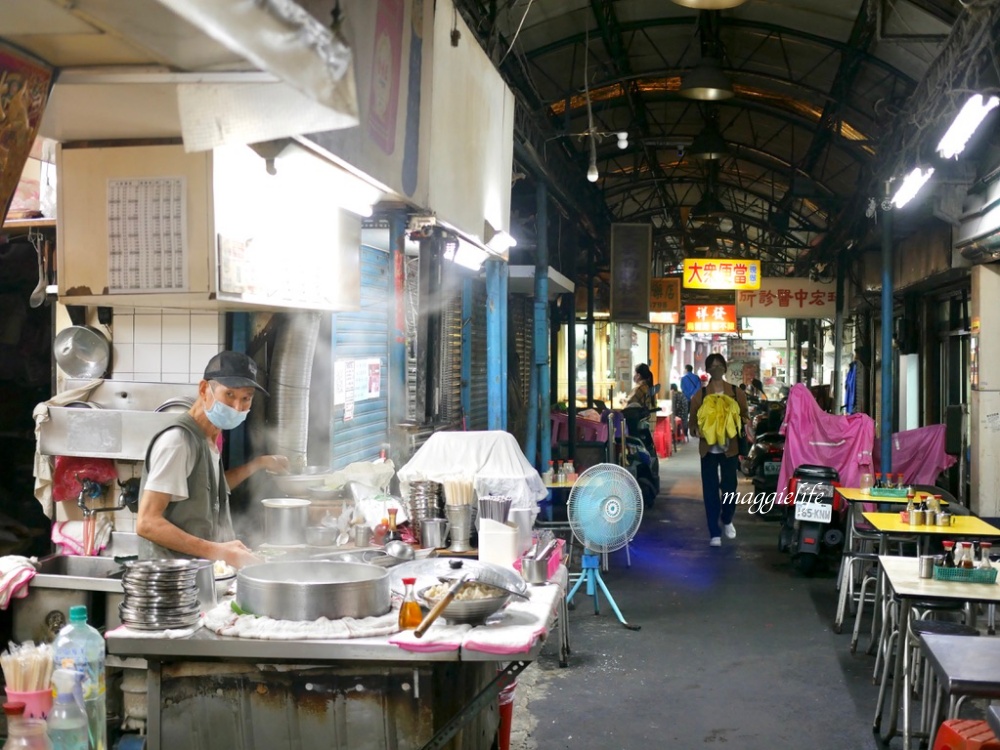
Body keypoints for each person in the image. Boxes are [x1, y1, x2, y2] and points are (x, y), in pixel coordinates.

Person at [136, 351, 289, 569]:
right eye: (229, 395)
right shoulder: (178, 441)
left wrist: (259, 463)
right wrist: (220, 551)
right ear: (203, 390)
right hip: (170, 585)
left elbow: (210, 489)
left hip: (198, 580)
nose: (238, 407)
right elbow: (147, 523)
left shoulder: (209, 439)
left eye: (246, 398)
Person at [688, 353, 751, 547]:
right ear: (707, 370)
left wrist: (740, 424)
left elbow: (745, 415)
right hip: (708, 449)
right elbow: (691, 423)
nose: (716, 368)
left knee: (730, 486)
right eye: (712, 366)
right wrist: (697, 429)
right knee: (710, 490)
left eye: (719, 365)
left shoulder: (735, 392)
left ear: (724, 368)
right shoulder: (700, 395)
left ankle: (727, 518)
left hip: (729, 449)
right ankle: (714, 532)